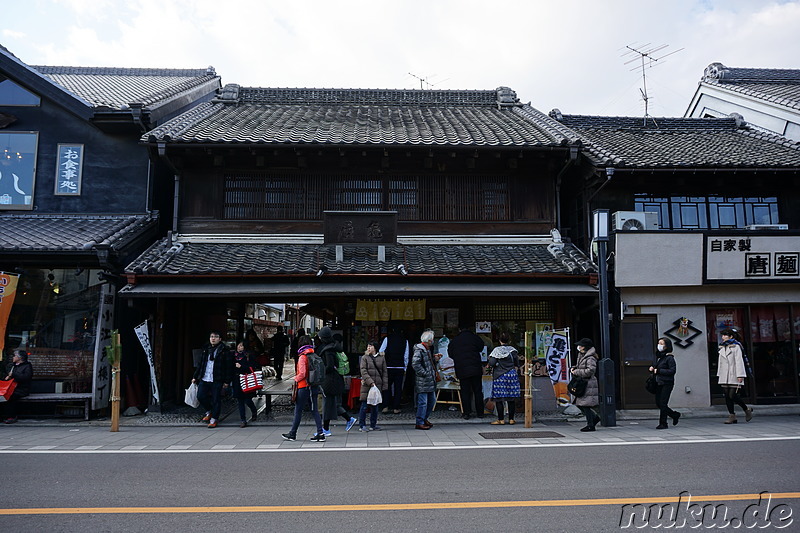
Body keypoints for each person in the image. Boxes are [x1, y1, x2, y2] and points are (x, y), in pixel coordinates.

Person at [282, 335, 325, 441]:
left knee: (298, 411)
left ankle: (293, 433)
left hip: (304, 387)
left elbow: (302, 373)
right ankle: (320, 433)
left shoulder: (303, 357)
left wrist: (295, 379)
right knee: (315, 410)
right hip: (314, 386)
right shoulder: (314, 355)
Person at [319, 329, 357, 435]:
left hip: (330, 380)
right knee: (333, 404)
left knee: (327, 404)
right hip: (336, 379)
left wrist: (321, 371)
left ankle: (326, 429)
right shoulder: (335, 347)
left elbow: (330, 366)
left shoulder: (328, 350)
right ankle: (348, 419)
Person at [192, 331, 233, 429]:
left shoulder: (224, 350)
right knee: (200, 396)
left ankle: (214, 418)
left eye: (215, 337)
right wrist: (195, 376)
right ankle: (209, 411)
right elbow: (200, 364)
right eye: (211, 336)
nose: (213, 338)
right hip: (205, 377)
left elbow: (228, 367)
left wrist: (227, 381)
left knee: (216, 399)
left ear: (220, 339)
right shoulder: (206, 349)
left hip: (217, 378)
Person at [448, 323, 486, 419]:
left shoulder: (455, 340)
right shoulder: (475, 337)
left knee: (465, 391)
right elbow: (481, 347)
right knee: (477, 391)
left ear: (459, 330)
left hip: (462, 369)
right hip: (475, 368)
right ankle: (480, 412)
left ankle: (466, 413)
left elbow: (450, 353)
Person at [717, 327, 753, 424]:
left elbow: (739, 361)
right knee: (727, 396)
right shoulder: (721, 347)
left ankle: (746, 409)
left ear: (731, 336)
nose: (723, 337)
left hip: (734, 373)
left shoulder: (736, 346)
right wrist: (719, 374)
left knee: (732, 395)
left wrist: (740, 375)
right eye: (722, 335)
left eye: (725, 335)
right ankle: (732, 415)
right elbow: (720, 362)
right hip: (724, 374)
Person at [487, 332, 521, 425]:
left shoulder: (496, 350)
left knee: (499, 398)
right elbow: (517, 363)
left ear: (499, 340)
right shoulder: (513, 350)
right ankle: (511, 419)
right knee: (511, 398)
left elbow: (492, 363)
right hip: (511, 375)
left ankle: (501, 419)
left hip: (499, 376)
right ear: (509, 340)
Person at [649, 337, 680, 429]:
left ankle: (663, 423)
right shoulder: (658, 357)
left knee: (663, 403)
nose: (659, 345)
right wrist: (652, 369)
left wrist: (658, 371)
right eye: (659, 343)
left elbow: (672, 371)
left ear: (667, 346)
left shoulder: (669, 358)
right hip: (658, 382)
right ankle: (674, 415)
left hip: (667, 383)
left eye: (662, 344)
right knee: (659, 403)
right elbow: (656, 368)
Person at [570, 337, 600, 432]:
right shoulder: (582, 355)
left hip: (588, 383)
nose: (578, 347)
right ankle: (594, 419)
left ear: (584, 347)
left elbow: (590, 370)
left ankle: (591, 424)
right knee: (580, 404)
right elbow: (581, 366)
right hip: (583, 382)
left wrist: (577, 372)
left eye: (580, 345)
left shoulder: (590, 357)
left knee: (585, 404)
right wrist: (574, 368)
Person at [358, 341, 388, 432]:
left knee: (375, 406)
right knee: (364, 405)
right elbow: (363, 371)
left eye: (370, 346)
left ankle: (373, 424)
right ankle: (362, 425)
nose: (368, 348)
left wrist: (384, 385)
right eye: (368, 346)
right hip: (367, 385)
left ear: (375, 348)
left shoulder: (381, 358)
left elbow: (384, 372)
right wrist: (370, 382)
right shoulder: (364, 358)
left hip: (377, 384)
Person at [412, 330, 439, 430]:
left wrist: (434, 359)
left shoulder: (426, 349)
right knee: (423, 402)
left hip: (428, 380)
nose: (432, 341)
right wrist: (425, 373)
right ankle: (419, 421)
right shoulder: (420, 350)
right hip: (423, 380)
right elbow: (415, 364)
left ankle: (424, 418)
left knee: (431, 401)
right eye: (431, 339)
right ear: (429, 340)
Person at [379, 324, 409, 414]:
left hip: (388, 367)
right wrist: (405, 368)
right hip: (400, 367)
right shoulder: (405, 341)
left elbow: (381, 351)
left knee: (386, 387)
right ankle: (396, 407)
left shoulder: (387, 339)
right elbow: (406, 356)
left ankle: (385, 406)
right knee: (398, 388)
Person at [231, 341, 259, 428]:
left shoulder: (248, 356)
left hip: (247, 380)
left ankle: (254, 411)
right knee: (240, 401)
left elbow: (252, 368)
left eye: (241, 346)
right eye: (238, 345)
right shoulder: (233, 356)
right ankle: (243, 420)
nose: (239, 347)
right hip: (237, 380)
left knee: (247, 400)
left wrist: (241, 367)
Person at [2, 349, 33, 424]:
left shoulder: (27, 366)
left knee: (10, 397)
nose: (13, 357)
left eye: (15, 356)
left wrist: (14, 375)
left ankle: (12, 416)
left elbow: (26, 377)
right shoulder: (13, 366)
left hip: (21, 389)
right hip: (12, 387)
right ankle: (3, 415)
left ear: (20, 358)